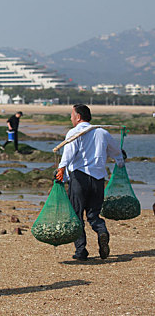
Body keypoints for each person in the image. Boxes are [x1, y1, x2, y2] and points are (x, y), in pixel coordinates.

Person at [55, 104, 124, 261]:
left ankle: (81, 251)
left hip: (80, 178)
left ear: (78, 117)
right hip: (98, 179)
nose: (71, 118)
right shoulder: (102, 132)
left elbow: (69, 154)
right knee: (93, 214)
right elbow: (117, 152)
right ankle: (101, 231)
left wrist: (61, 169)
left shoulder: (74, 132)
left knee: (77, 214)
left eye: (72, 115)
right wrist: (119, 161)